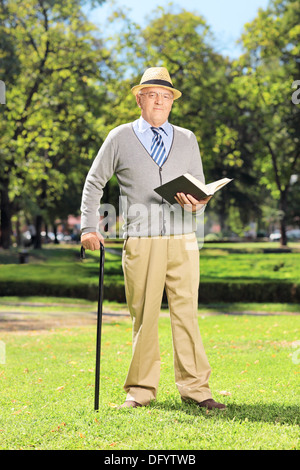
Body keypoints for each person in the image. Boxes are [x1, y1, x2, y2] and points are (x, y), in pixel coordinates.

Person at [80, 67, 226, 410]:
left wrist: (197, 206)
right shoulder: (120, 137)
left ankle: (197, 390)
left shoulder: (188, 139)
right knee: (144, 315)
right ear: (139, 98)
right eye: (152, 95)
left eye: (166, 97)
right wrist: (89, 227)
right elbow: (93, 183)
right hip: (141, 239)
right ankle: (141, 392)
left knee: (186, 313)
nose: (159, 101)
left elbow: (200, 192)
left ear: (171, 103)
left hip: (185, 239)